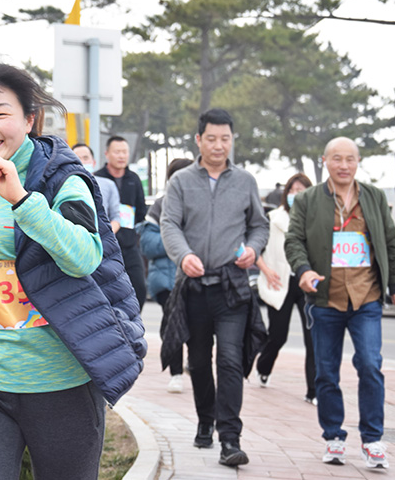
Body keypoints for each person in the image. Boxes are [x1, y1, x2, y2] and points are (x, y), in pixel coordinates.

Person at [0, 62, 147, 480]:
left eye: (0, 113)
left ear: (29, 119)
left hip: (59, 383)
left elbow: (83, 256)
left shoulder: (62, 179)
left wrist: (22, 199)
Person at [284, 137, 395, 470]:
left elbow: (390, 241)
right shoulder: (308, 199)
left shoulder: (375, 197)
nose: (344, 165)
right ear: (325, 161)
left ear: (358, 161)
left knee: (369, 364)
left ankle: (372, 438)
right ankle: (334, 436)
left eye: (350, 159)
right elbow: (294, 240)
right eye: (337, 158)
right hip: (325, 298)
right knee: (326, 372)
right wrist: (304, 270)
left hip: (367, 295)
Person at [160, 108, 268, 467]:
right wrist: (183, 255)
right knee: (200, 361)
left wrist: (254, 248)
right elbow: (169, 224)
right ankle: (205, 419)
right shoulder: (181, 182)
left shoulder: (245, 182)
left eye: (225, 138)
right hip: (193, 288)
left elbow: (259, 225)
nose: (219, 145)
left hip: (231, 287)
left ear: (232, 140)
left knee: (230, 359)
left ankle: (230, 438)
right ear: (198, 140)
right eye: (212, 138)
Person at [254, 173, 316, 404]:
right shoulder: (273, 218)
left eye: (301, 190)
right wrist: (267, 271)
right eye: (293, 190)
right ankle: (264, 365)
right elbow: (257, 249)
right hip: (279, 281)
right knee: (278, 335)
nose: (296, 195)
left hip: (306, 282)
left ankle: (313, 390)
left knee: (313, 337)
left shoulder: (316, 219)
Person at [135, 157, 193, 394]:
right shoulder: (161, 205)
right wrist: (179, 243)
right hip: (167, 279)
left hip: (197, 277)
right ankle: (176, 372)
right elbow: (148, 245)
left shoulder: (201, 204)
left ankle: (194, 365)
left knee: (196, 325)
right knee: (173, 322)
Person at [95, 136, 148, 309]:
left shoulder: (134, 179)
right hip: (104, 245)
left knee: (139, 286)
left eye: (125, 152)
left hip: (129, 243)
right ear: (107, 154)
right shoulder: (97, 179)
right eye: (117, 152)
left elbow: (141, 211)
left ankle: (132, 321)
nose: (121, 156)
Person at [72, 142, 121, 233]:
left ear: (93, 162)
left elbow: (116, 217)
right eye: (77, 158)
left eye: (85, 158)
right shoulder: (65, 186)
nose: (82, 162)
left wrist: (106, 235)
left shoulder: (108, 184)